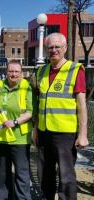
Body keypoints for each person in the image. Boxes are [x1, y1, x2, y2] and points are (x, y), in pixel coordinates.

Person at [33, 32, 89, 200]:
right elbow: (38, 104)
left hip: (65, 134)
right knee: (45, 174)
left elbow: (81, 104)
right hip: (44, 132)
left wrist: (83, 134)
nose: (54, 50)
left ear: (65, 48)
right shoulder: (41, 71)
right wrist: (35, 131)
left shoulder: (74, 70)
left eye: (57, 47)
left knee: (66, 177)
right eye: (50, 47)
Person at [0, 59, 35, 200]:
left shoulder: (26, 87)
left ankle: (22, 197)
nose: (13, 74)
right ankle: (3, 196)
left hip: (19, 138)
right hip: (1, 136)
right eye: (11, 71)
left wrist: (15, 122)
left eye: (17, 71)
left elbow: (30, 112)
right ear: (6, 72)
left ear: (22, 73)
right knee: (2, 171)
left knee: (21, 172)